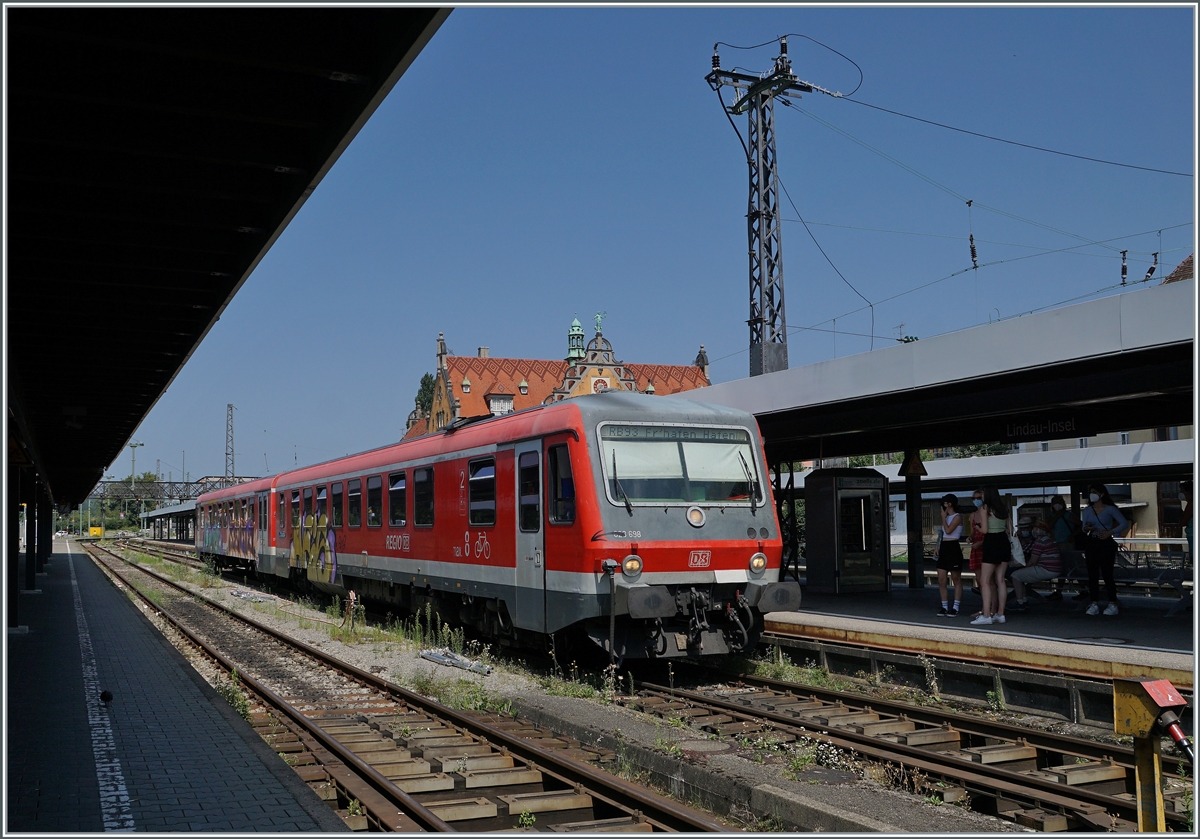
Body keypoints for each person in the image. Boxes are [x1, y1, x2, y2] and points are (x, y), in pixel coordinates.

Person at [1080, 483, 1129, 616]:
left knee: (1107, 574)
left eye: (1095, 491)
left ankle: (1112, 603)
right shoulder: (1087, 510)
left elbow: (1124, 523)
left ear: (1102, 494)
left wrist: (1110, 532)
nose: (1092, 494)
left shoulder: (1110, 509)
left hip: (1106, 543)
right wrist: (1087, 528)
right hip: (1092, 542)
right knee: (1092, 575)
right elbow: (1083, 527)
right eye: (1091, 492)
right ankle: (1094, 603)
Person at [972, 486, 1012, 626]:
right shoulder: (1003, 508)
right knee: (1000, 579)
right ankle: (1000, 614)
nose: (980, 497)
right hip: (1004, 542)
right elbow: (1008, 527)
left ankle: (987, 615)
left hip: (992, 542)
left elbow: (985, 530)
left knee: (985, 581)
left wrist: (977, 528)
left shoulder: (985, 508)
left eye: (982, 494)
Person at [1010, 520, 1063, 612]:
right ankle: (1024, 600)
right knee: (1020, 575)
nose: (1032, 530)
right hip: (1054, 569)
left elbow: (1033, 561)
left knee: (1015, 575)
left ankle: (1020, 602)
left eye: (1034, 528)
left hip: (1046, 569)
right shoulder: (1048, 539)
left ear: (1038, 530)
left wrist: (1023, 568)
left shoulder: (1040, 542)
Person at [936, 494, 965, 617]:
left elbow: (948, 531)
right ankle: (944, 606)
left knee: (956, 578)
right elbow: (942, 533)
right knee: (941, 579)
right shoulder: (946, 517)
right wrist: (937, 547)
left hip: (953, 546)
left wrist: (943, 518)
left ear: (949, 504)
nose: (942, 507)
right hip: (944, 546)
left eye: (944, 504)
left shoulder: (957, 517)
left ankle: (956, 606)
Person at [968, 489, 985, 593]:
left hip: (985, 545)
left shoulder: (988, 513)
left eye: (978, 498)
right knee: (979, 578)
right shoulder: (973, 515)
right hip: (976, 546)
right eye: (973, 498)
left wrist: (981, 543)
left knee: (988, 579)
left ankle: (992, 604)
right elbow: (972, 532)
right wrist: (969, 538)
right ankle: (985, 603)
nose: (976, 500)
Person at [1181, 481, 1193, 563]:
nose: (1181, 494)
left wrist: (1180, 515)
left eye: (1182, 491)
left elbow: (1183, 522)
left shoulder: (1191, 505)